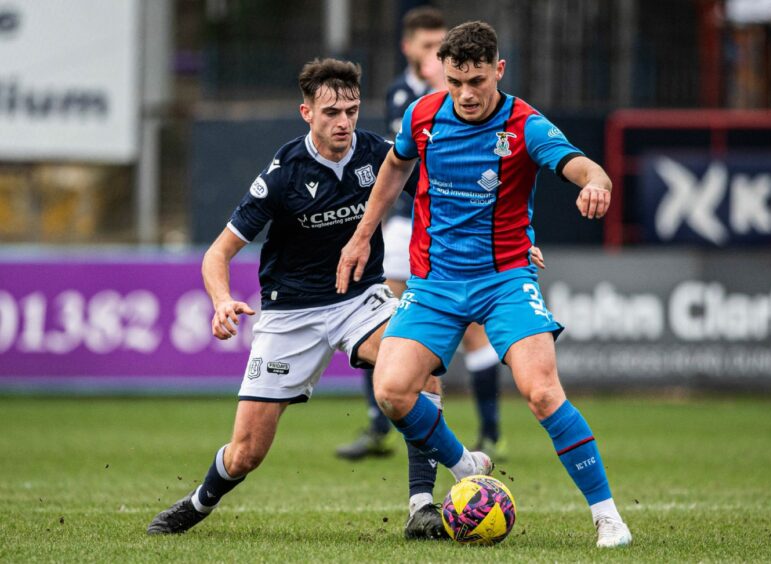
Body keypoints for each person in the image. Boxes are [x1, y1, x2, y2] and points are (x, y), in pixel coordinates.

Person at [146, 58, 471, 540]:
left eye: (352, 111)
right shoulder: (282, 174)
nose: (343, 122)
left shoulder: (381, 155)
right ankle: (199, 501)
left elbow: (452, 194)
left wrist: (507, 240)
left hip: (360, 299)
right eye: (331, 113)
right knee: (246, 454)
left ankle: (421, 505)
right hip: (290, 313)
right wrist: (220, 300)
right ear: (306, 113)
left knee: (416, 367)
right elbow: (217, 254)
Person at [336, 22, 633, 548]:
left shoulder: (525, 126)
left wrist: (598, 183)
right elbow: (393, 169)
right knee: (391, 390)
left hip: (504, 280)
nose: (466, 94)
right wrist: (363, 236)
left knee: (541, 392)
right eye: (455, 82)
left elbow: (581, 166)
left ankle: (608, 515)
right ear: (443, 75)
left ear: (498, 70)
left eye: (476, 80)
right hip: (433, 284)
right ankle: (465, 463)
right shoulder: (423, 115)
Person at [336, 6, 507, 463]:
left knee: (470, 331)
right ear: (408, 47)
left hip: (452, 224)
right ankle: (380, 424)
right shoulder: (400, 94)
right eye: (426, 45)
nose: (434, 53)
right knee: (382, 318)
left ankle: (490, 432)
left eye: (440, 45)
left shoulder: (457, 93)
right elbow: (401, 161)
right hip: (403, 222)